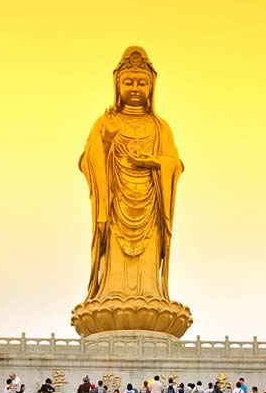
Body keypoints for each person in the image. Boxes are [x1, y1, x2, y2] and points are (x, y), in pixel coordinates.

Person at [77, 46, 185, 308]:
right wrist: (106, 141)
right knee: (114, 255)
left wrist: (155, 162)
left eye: (142, 83)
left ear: (151, 88)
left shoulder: (160, 128)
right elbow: (87, 162)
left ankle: (152, 295)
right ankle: (108, 295)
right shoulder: (104, 123)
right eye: (128, 82)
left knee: (148, 264)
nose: (135, 88)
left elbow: (175, 164)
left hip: (150, 208)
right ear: (117, 85)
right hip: (115, 206)